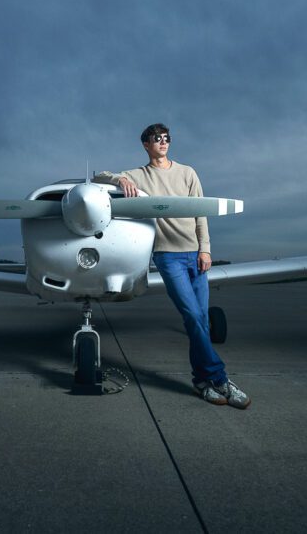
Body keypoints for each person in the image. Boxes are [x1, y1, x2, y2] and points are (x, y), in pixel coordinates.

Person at [95, 123, 251, 409]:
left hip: (196, 255)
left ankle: (202, 382)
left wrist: (206, 250)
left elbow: (202, 214)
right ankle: (220, 378)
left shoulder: (188, 173)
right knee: (192, 316)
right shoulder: (138, 176)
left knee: (201, 321)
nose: (163, 142)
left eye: (167, 138)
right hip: (167, 257)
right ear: (146, 144)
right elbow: (98, 176)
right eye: (157, 139)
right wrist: (119, 180)